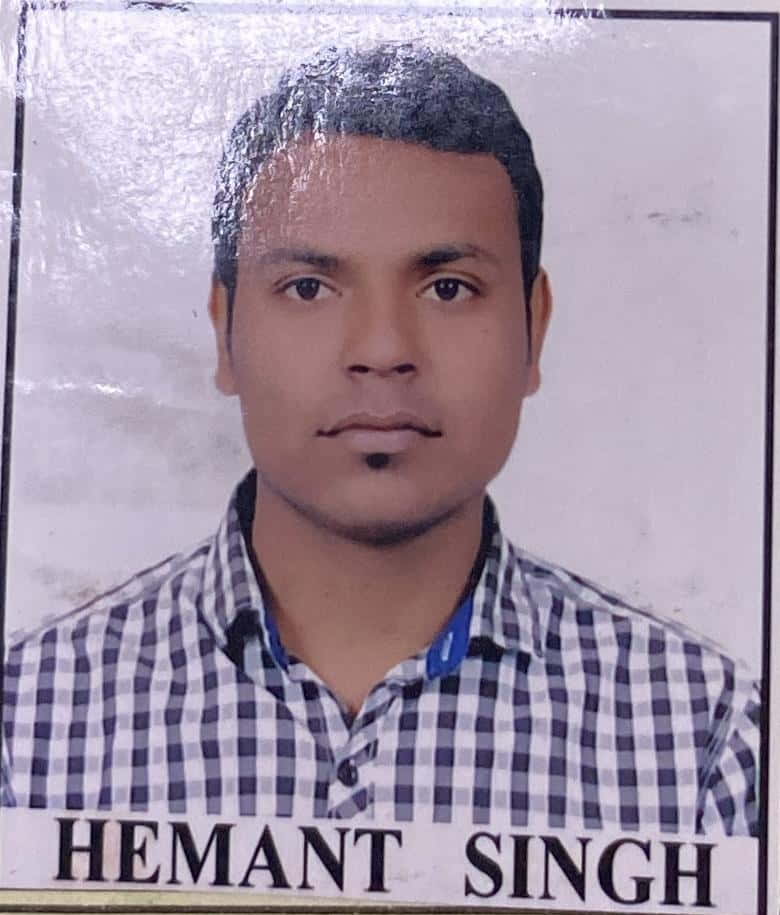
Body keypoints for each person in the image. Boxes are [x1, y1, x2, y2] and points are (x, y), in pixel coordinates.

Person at [0, 44, 759, 834]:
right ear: (224, 331)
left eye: (447, 288)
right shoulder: (30, 722)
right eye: (309, 287)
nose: (383, 349)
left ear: (534, 328)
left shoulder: (706, 738)